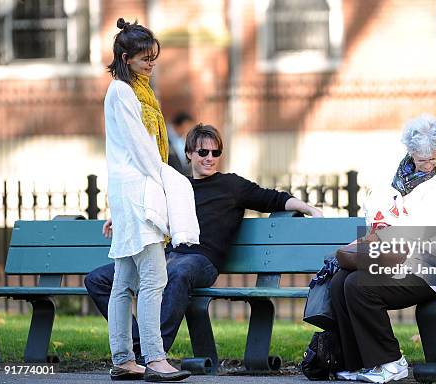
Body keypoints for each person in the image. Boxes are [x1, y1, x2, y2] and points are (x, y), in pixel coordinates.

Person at [85, 123, 323, 367]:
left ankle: (152, 354)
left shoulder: (232, 186)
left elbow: (274, 198)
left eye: (215, 153)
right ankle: (139, 344)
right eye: (203, 152)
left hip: (202, 262)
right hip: (166, 256)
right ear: (189, 153)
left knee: (179, 272)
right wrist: (120, 217)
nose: (210, 158)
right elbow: (149, 207)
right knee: (97, 279)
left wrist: (309, 208)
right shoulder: (176, 186)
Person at [330, 114, 436, 383]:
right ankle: (360, 363)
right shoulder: (396, 174)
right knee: (340, 281)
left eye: (433, 158)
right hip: (393, 258)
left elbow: (426, 230)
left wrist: (388, 227)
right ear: (410, 151)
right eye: (421, 158)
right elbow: (376, 207)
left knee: (359, 285)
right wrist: (380, 223)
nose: (427, 165)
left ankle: (391, 362)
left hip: (427, 269)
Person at [103, 18, 194, 382]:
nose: (151, 63)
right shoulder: (123, 93)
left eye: (153, 58)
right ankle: (155, 358)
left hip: (131, 194)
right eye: (145, 58)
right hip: (140, 193)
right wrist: (167, 181)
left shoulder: (137, 91)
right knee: (154, 278)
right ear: (126, 58)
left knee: (124, 281)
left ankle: (124, 358)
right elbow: (141, 150)